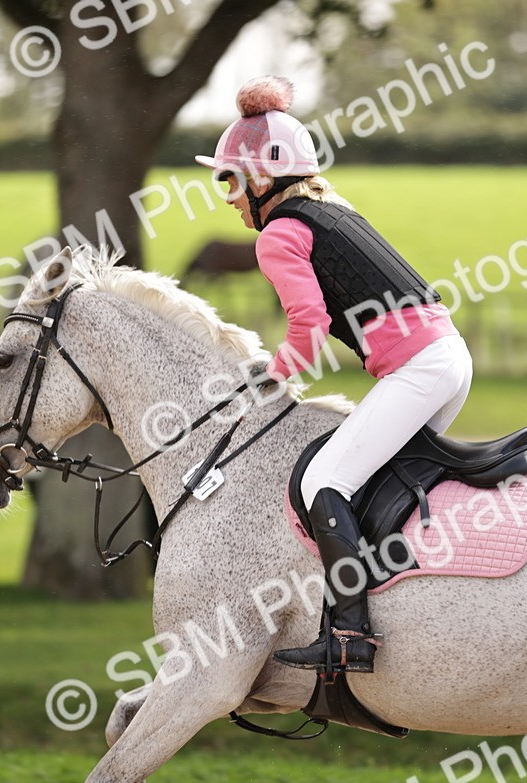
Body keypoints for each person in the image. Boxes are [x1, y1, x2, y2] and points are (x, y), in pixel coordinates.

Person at [196, 76, 473, 674]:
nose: (230, 199)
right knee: (368, 485)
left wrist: (270, 381)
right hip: (448, 359)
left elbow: (309, 324)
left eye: (231, 181)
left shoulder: (278, 235)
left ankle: (349, 634)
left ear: (262, 179)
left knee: (324, 481)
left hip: (420, 370)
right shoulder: (330, 210)